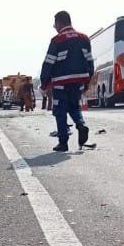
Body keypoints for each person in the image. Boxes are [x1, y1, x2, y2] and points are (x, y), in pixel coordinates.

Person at [40, 10, 93, 152]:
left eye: (54, 24)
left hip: (61, 81)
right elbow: (89, 61)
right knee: (74, 106)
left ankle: (63, 142)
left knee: (60, 110)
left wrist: (44, 82)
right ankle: (81, 125)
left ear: (59, 23)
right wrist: (87, 81)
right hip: (79, 80)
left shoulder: (57, 40)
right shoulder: (84, 38)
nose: (54, 27)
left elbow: (49, 62)